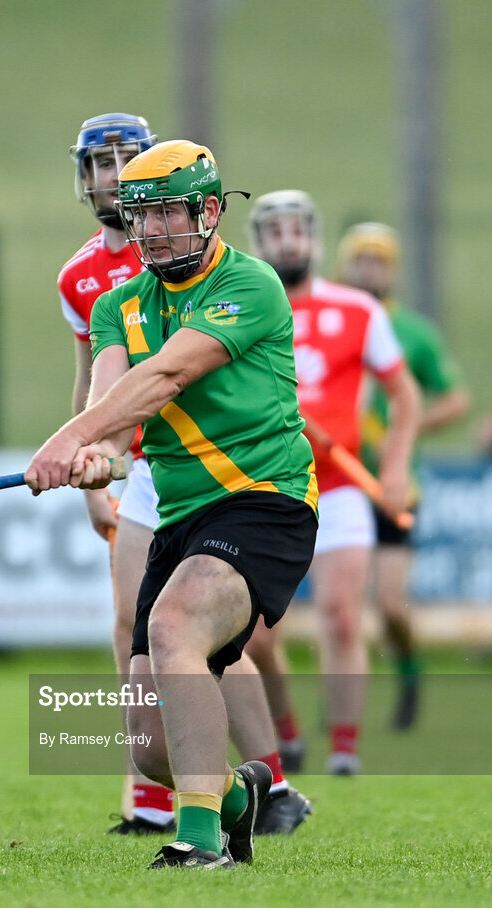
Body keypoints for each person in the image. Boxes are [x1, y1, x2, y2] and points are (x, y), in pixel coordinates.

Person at [28, 140, 319, 869]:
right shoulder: (115, 305)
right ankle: (232, 798)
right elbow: (115, 405)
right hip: (182, 515)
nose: (151, 230)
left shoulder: (248, 286)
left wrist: (70, 437)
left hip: (262, 499)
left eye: (167, 212)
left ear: (209, 211)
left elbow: (166, 375)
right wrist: (98, 456)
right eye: (140, 214)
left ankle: (199, 843)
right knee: (151, 748)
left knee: (174, 622)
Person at [244, 192, 420, 775]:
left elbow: (405, 396)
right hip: (270, 484)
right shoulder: (239, 308)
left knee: (343, 614)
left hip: (341, 485)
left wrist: (393, 468)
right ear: (258, 241)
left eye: (298, 230)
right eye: (275, 232)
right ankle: (288, 734)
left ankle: (345, 748)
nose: (288, 241)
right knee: (259, 634)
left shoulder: (358, 311)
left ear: (314, 238)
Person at [336, 222, 470, 729]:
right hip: (336, 481)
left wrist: (404, 431)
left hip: (393, 484)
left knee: (390, 605)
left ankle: (410, 674)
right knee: (341, 606)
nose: (369, 269)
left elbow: (456, 398)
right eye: (360, 259)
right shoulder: (328, 320)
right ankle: (343, 702)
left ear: (392, 270)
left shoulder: (413, 332)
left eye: (379, 260)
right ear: (344, 265)